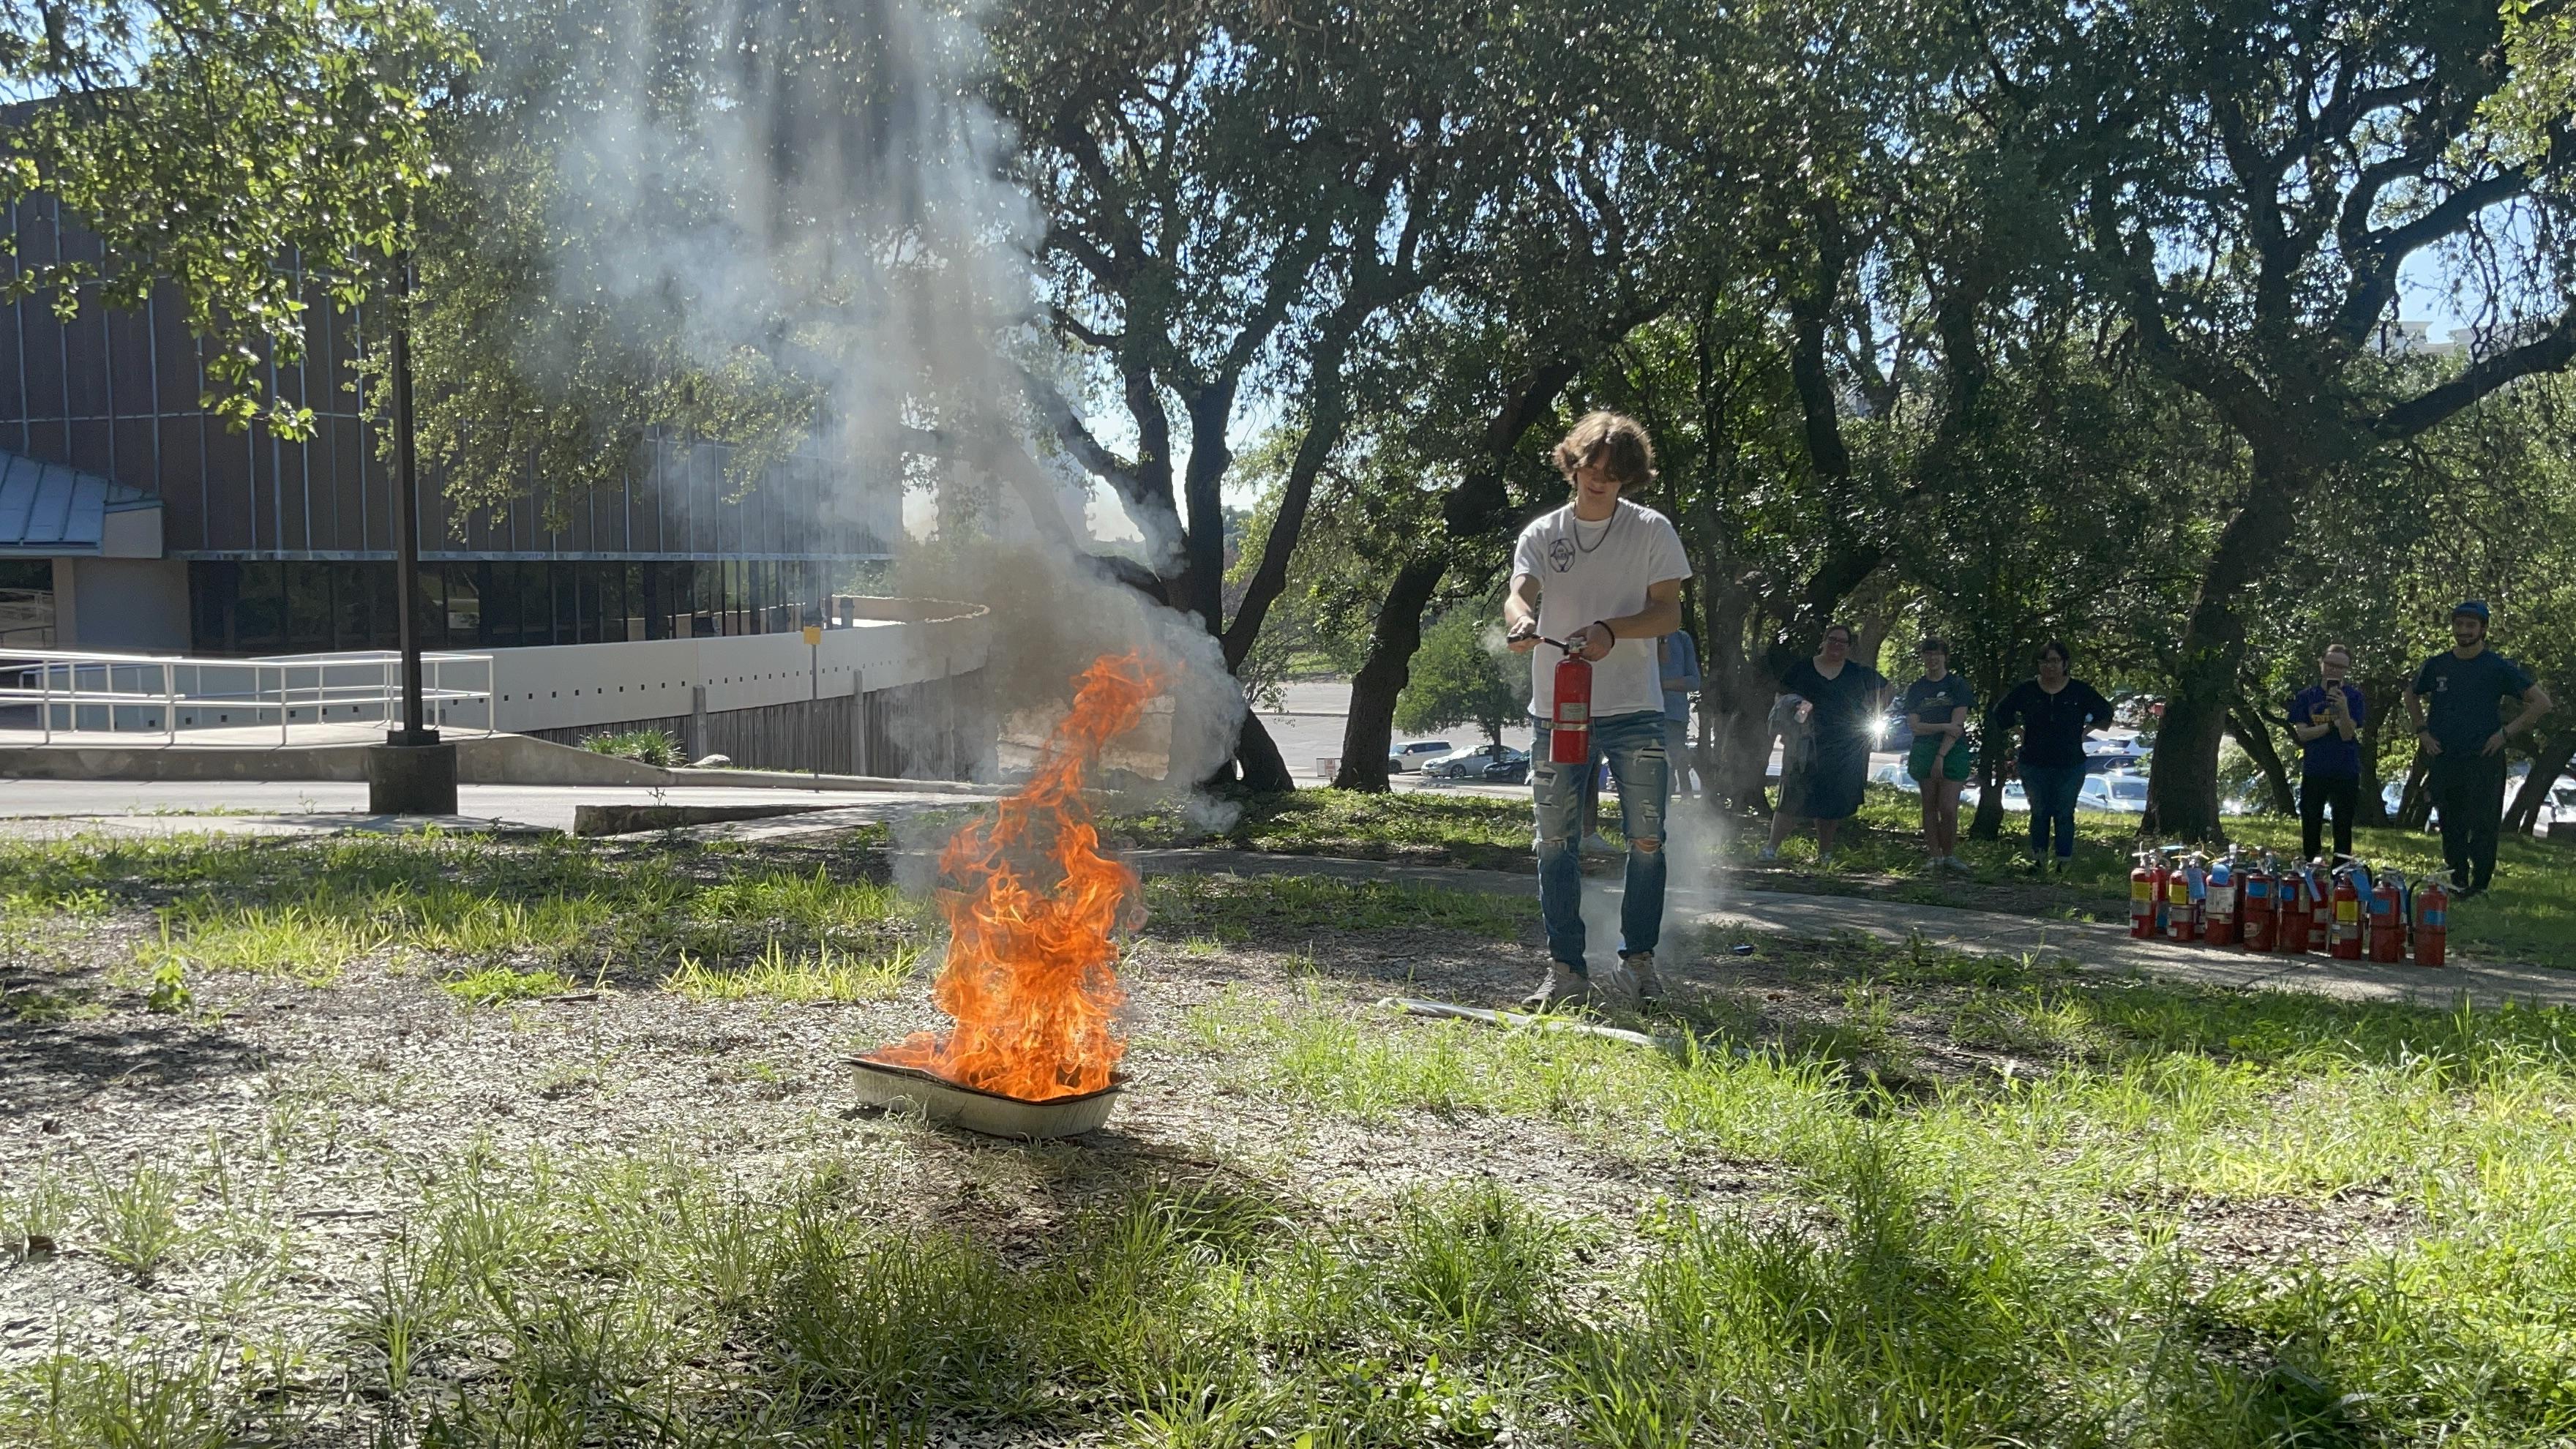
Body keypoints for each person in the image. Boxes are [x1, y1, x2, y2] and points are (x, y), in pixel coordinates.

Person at [1505, 411, 1690, 1009]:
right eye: (1593, 467)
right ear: (1573, 462)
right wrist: (1522, 622)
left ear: (1630, 479)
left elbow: (1668, 614)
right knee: (1555, 843)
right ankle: (1566, 972)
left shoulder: (1653, 531)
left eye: (1614, 474)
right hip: (1558, 710)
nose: (1600, 480)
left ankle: (1638, 964)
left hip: (1635, 708)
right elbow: (1518, 592)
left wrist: (1613, 630)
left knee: (1647, 841)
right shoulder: (1542, 533)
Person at [2405, 602, 2553, 899]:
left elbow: (2542, 703)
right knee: (2450, 822)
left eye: (2471, 626)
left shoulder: (2497, 666)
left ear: (2483, 629)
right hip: (2445, 755)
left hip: (2483, 757)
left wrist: (2505, 734)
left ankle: (2480, 885)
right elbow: (2411, 694)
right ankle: (2456, 880)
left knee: (2484, 824)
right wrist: (2422, 731)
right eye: (2459, 625)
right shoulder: (2437, 665)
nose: (2464, 631)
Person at [1761, 623, 1886, 866]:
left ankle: (1825, 854)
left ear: (1849, 647)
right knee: (1791, 797)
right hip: (1802, 745)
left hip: (1840, 748)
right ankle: (1770, 849)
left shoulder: (1856, 673)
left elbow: (1886, 689)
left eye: (1842, 642)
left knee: (1831, 802)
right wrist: (1788, 723)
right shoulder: (1802, 669)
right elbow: (1781, 697)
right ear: (1823, 640)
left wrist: (1870, 715)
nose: (1836, 645)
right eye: (1832, 639)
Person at [1987, 640, 2113, 872]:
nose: (2050, 666)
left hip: (2070, 762)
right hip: (2034, 762)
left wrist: (2085, 731)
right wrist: (2019, 731)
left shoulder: (2078, 690)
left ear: (2065, 664)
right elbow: (2001, 712)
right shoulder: (2027, 690)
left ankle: (2063, 862)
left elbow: (2105, 712)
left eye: (2055, 661)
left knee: (2064, 812)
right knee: (2040, 811)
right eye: (2044, 661)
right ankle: (2038, 859)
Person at [1896, 637, 1975, 871]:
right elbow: (1914, 726)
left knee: (1948, 808)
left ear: (1945, 657)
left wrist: (1941, 755)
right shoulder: (1917, 688)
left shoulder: (1957, 685)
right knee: (1929, 805)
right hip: (1924, 748)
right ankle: (1934, 856)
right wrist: (1942, 726)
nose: (1932, 658)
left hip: (1953, 749)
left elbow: (1957, 725)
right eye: (1927, 654)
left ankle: (1949, 854)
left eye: (1937, 654)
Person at [2288, 645, 2365, 862]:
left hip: (2345, 769)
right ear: (2321, 664)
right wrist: (2331, 726)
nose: (2335, 671)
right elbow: (2303, 734)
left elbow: (2348, 734)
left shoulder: (2354, 697)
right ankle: (2312, 866)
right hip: (2315, 768)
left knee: (2343, 823)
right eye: (2331, 664)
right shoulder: (2306, 697)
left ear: (2347, 670)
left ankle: (2341, 870)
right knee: (2311, 819)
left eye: (2341, 667)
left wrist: (2344, 708)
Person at [1660, 631, 1704, 796]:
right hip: (1645, 716)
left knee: (1669, 770)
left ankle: (1667, 817)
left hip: (1674, 718)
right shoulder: (1640, 634)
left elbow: (1694, 681)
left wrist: (1661, 684)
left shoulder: (1682, 638)